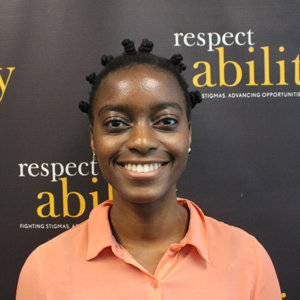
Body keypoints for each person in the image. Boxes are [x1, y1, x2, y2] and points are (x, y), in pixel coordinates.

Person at [16, 39, 281, 299]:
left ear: (188, 134)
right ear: (93, 139)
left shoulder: (249, 259)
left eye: (165, 121)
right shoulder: (44, 270)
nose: (142, 141)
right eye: (116, 123)